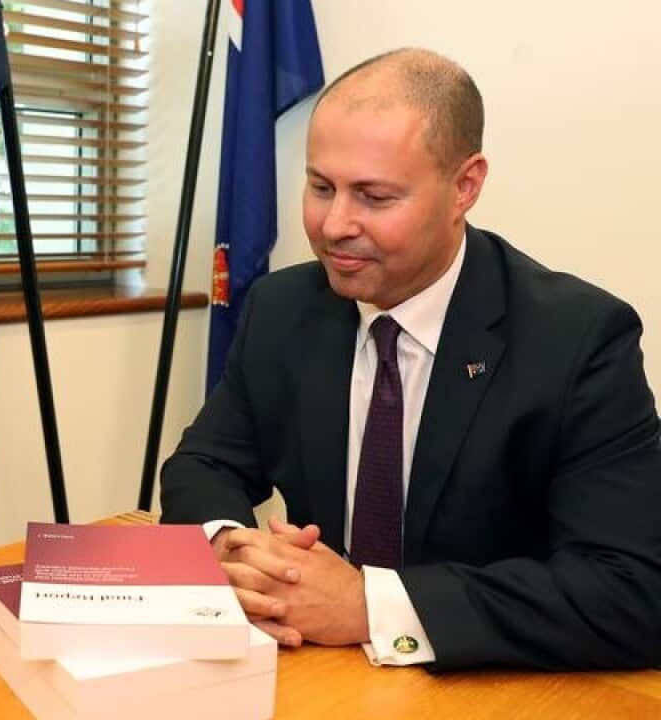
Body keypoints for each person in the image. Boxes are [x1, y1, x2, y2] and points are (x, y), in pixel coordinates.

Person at [161, 48, 661, 671]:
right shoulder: (283, 308)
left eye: (373, 196)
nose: (334, 225)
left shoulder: (578, 338)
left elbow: (631, 591)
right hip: (321, 676)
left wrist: (370, 606)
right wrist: (231, 548)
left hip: (491, 689)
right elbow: (204, 463)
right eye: (321, 187)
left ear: (464, 187)